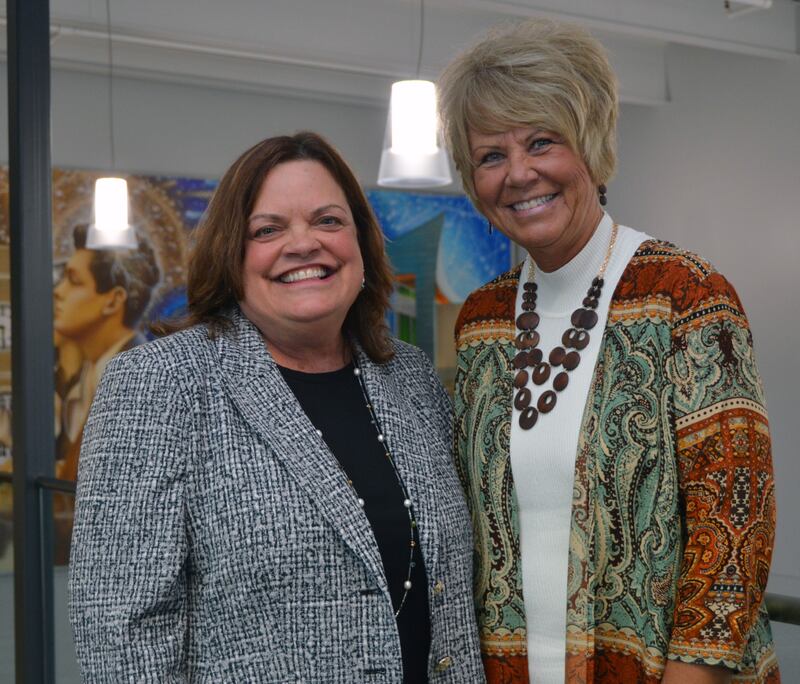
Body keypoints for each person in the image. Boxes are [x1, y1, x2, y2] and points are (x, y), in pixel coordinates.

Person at [69, 131, 485, 682]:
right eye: (267, 230)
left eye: (328, 221)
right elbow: (119, 632)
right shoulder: (158, 384)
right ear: (231, 256)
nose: (304, 244)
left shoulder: (410, 377)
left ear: (361, 244)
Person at [438, 19, 778, 684]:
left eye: (542, 141)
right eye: (490, 156)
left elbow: (736, 526)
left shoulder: (686, 294)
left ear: (591, 146)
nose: (519, 173)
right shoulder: (480, 321)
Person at [54, 223, 160, 483]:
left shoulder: (142, 379)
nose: (58, 291)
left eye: (73, 281)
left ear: (113, 300)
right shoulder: (83, 374)